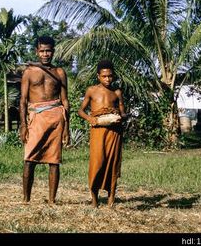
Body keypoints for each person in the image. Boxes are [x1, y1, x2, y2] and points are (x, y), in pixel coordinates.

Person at [19, 35, 70, 205]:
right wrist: (24, 125)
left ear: (53, 51)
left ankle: (52, 200)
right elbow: (23, 101)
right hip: (36, 118)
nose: (45, 54)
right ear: (37, 51)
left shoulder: (60, 73)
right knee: (29, 159)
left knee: (54, 161)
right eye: (42, 51)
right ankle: (26, 199)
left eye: (48, 51)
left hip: (56, 118)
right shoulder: (29, 72)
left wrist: (66, 128)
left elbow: (65, 101)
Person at [78, 59, 127, 207]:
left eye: (110, 76)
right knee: (97, 162)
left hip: (114, 132)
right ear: (98, 76)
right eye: (104, 76)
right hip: (98, 131)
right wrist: (90, 118)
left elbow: (123, 112)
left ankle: (111, 196)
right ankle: (94, 198)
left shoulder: (117, 92)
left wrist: (120, 117)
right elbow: (81, 110)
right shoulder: (91, 91)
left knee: (112, 163)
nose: (107, 79)